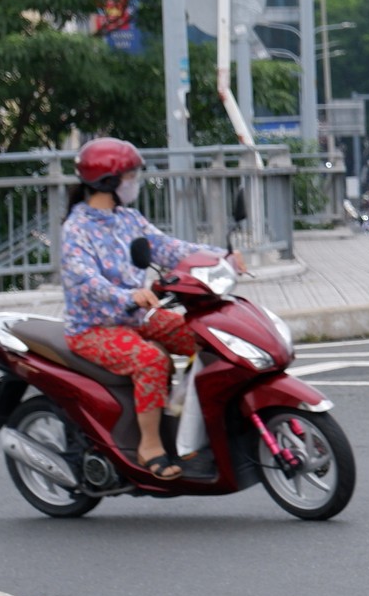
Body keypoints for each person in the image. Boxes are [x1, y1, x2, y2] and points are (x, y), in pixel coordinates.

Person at [60, 138, 243, 480]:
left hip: (136, 318)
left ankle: (188, 420)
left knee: (208, 339)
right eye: (131, 176)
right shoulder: (76, 229)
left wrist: (221, 257)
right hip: (92, 329)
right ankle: (150, 446)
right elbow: (84, 280)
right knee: (151, 360)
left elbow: (169, 247)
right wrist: (127, 295)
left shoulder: (128, 219)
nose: (135, 182)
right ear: (109, 181)